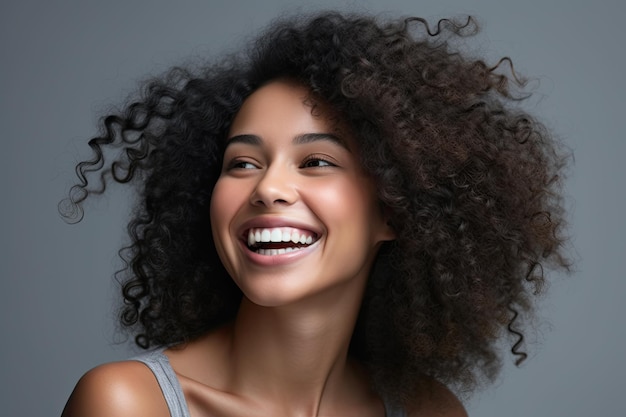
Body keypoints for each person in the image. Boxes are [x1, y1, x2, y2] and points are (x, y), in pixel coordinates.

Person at [60, 11, 571, 417]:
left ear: (393, 210)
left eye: (316, 161)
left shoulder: (428, 411)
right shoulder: (128, 404)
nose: (269, 187)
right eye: (242, 163)